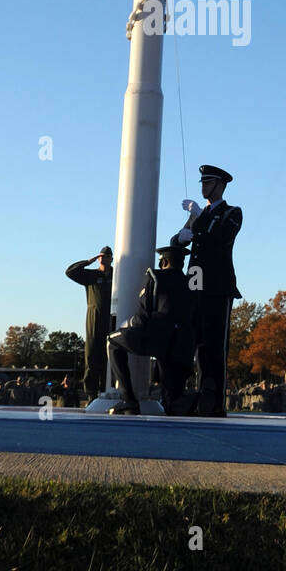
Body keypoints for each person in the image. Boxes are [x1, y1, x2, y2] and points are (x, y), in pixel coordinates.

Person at [174, 163, 242, 417]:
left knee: (214, 345)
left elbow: (220, 238)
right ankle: (191, 396)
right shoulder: (199, 215)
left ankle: (214, 402)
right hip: (194, 284)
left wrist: (197, 218)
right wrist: (181, 235)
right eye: (202, 183)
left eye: (208, 183)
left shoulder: (231, 212)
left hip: (216, 286)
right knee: (192, 341)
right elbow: (178, 241)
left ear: (220, 185)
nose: (203, 187)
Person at [107, 243, 197, 414]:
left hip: (157, 336)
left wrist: (128, 325)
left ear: (163, 262)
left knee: (112, 341)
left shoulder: (154, 276)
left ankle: (129, 400)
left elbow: (144, 314)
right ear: (182, 264)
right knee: (172, 400)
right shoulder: (191, 284)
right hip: (183, 342)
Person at [65, 247, 113, 400]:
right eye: (101, 256)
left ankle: (107, 390)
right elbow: (70, 272)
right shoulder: (92, 275)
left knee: (109, 356)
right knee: (91, 355)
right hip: (94, 317)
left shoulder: (117, 274)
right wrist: (88, 262)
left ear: (112, 258)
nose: (103, 258)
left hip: (112, 318)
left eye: (107, 256)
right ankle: (91, 394)